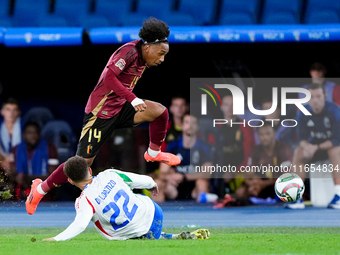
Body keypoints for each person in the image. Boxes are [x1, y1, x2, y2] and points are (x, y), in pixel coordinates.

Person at [26, 17, 181, 215]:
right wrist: (132, 98)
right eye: (161, 53)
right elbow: (109, 77)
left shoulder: (144, 56)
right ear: (148, 47)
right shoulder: (129, 52)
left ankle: (153, 153)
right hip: (101, 113)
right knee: (80, 165)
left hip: (120, 107)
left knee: (160, 112)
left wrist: (129, 100)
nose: (162, 59)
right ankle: (39, 190)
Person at [42, 156, 210, 241]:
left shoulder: (83, 201)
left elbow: (79, 225)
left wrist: (56, 239)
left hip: (135, 235)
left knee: (128, 228)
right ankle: (174, 237)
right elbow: (140, 179)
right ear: (90, 171)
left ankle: (166, 237)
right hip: (155, 213)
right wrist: (152, 183)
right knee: (130, 193)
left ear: (70, 181)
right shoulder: (109, 174)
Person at [290, 83, 340, 209]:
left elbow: (336, 139)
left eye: (318, 96)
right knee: (298, 152)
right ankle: (297, 197)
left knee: (335, 150)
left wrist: (316, 147)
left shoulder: (335, 111)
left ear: (325, 96)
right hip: (313, 150)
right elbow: (301, 138)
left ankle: (338, 195)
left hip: (329, 148)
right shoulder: (302, 113)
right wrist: (307, 147)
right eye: (312, 97)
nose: (315, 100)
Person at [153, 112, 214, 202]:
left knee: (202, 183)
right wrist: (171, 177)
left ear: (198, 127)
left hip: (194, 187)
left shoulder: (205, 148)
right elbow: (162, 172)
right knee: (158, 183)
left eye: (193, 123)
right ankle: (158, 214)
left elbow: (207, 173)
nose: (190, 126)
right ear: (181, 125)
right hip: (174, 187)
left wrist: (185, 177)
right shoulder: (172, 147)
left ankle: (202, 214)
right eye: (187, 122)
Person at [12, 122, 59, 199]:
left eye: (35, 132)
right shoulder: (16, 150)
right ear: (23, 135)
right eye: (29, 133)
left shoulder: (50, 148)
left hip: (44, 190)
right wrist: (20, 178)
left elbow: (52, 176)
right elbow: (13, 173)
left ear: (39, 135)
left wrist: (27, 179)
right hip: (23, 190)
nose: (33, 136)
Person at [0, 98, 22, 170]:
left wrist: (12, 158)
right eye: (8, 109)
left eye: (14, 110)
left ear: (18, 112)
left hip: (20, 161)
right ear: (2, 111)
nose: (11, 113)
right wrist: (3, 161)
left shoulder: (25, 128)